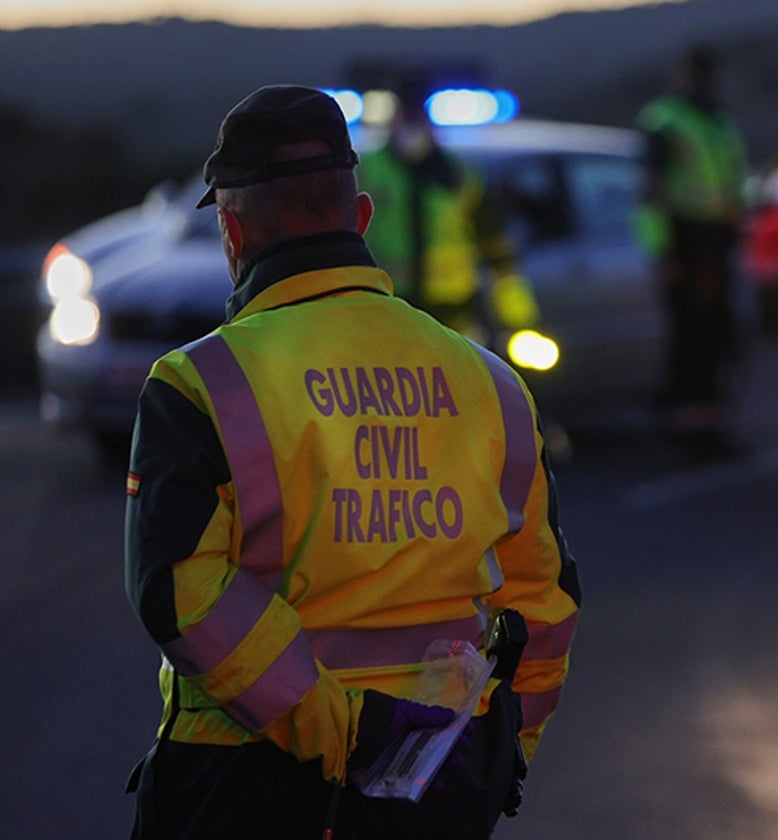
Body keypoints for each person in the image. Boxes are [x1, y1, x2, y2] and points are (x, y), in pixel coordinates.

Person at [123, 85, 581, 839]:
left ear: (232, 233)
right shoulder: (493, 385)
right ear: (362, 216)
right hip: (438, 778)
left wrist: (338, 732)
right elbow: (545, 599)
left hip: (241, 780)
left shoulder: (200, 383)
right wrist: (502, 752)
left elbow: (180, 594)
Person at [356, 87, 539, 346]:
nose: (411, 130)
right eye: (406, 119)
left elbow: (494, 244)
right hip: (388, 307)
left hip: (453, 310)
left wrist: (519, 317)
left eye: (417, 120)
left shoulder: (459, 174)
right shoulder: (367, 170)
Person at [635, 45, 748, 458]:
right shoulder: (665, 122)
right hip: (687, 242)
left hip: (718, 240)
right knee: (692, 338)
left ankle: (710, 426)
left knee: (716, 335)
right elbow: (651, 194)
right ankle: (687, 431)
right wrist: (663, 253)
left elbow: (728, 179)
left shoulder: (718, 120)